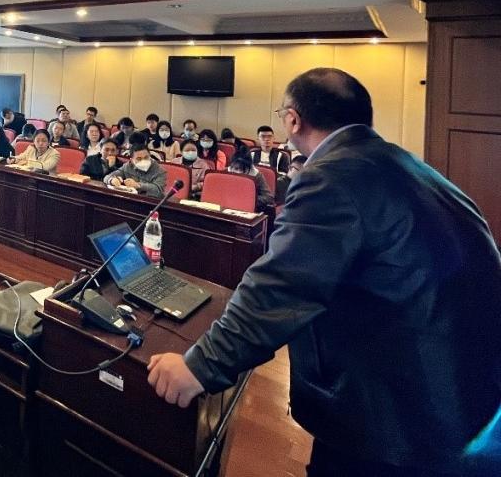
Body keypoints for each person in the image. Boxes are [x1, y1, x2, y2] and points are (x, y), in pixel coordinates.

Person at [146, 67, 501, 477]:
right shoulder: (418, 172)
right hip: (469, 403)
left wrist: (200, 366)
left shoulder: (332, 175)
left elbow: (281, 287)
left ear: (293, 120)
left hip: (399, 420)